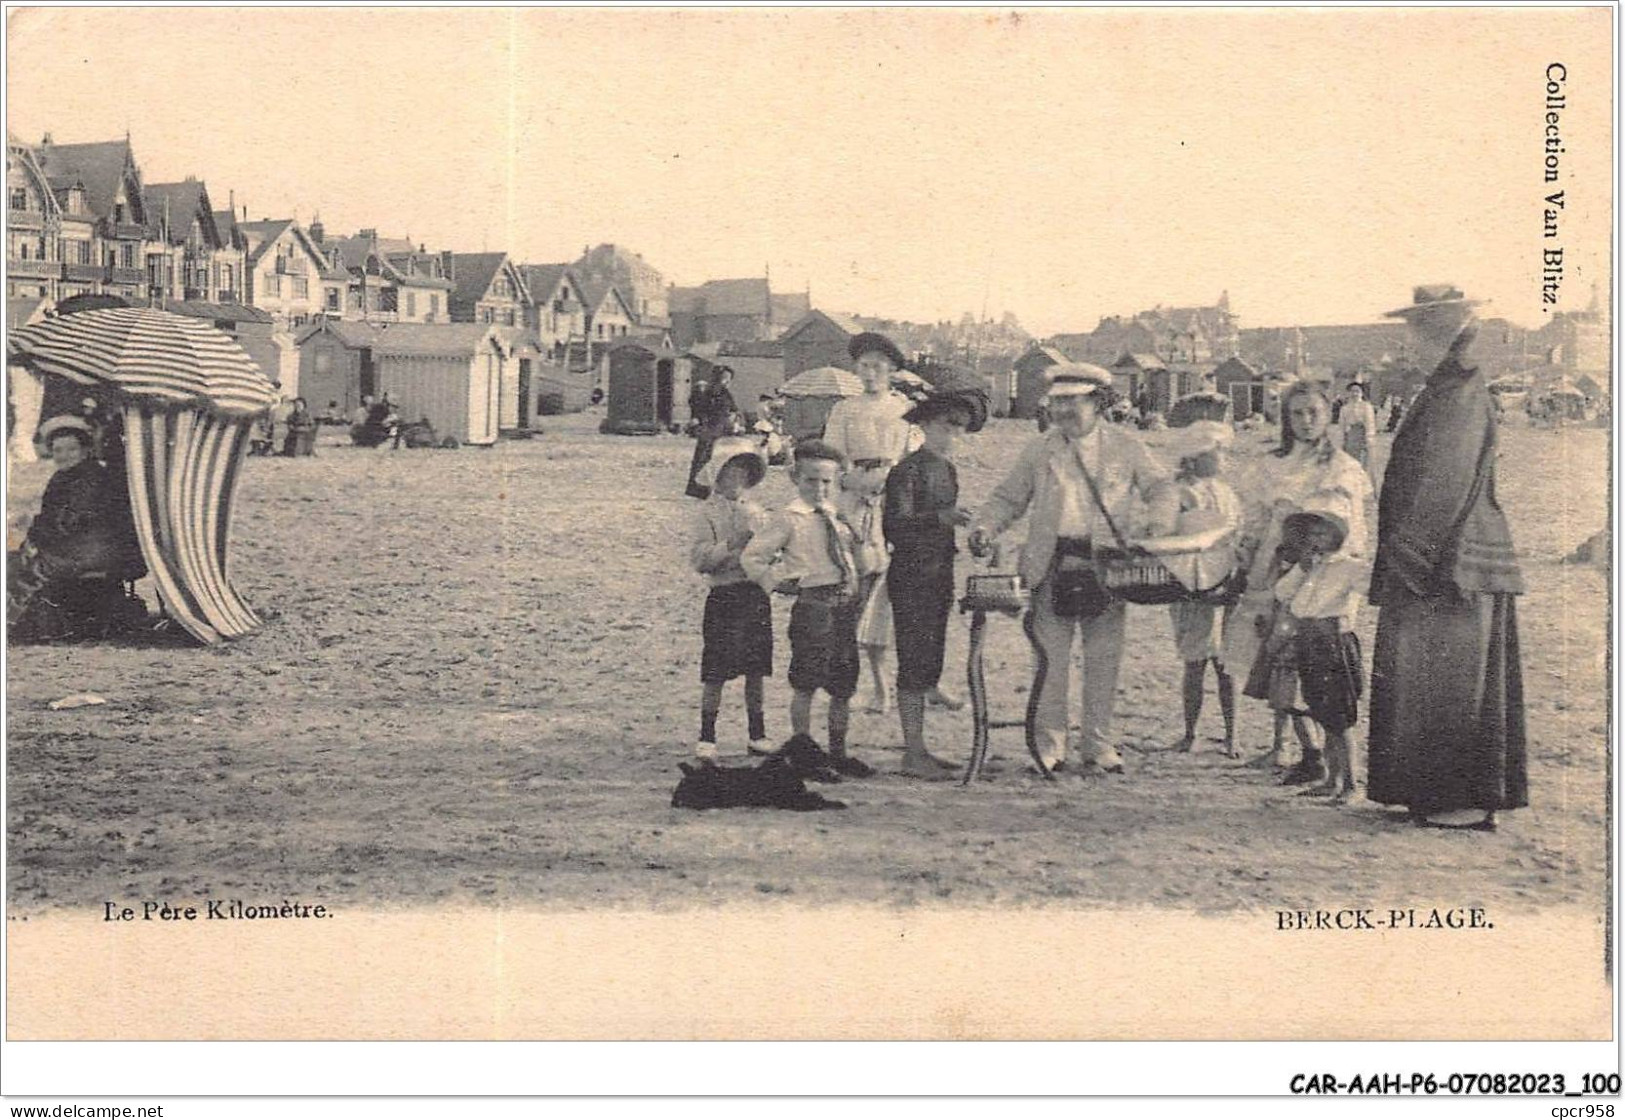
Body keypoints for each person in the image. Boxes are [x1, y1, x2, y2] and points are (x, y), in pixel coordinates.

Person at [1367, 285, 1526, 832]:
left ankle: (1459, 799)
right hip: (1445, 558)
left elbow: (1444, 483)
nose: (1406, 347)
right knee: (1434, 676)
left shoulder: (1457, 393)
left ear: (1436, 336)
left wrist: (1408, 558)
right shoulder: (1446, 388)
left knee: (1451, 678)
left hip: (1450, 563)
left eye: (1412, 336)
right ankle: (1434, 795)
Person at [968, 363, 1172, 774]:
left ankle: (1098, 745)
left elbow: (1160, 487)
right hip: (1050, 564)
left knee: (1103, 659)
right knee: (1050, 660)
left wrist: (1156, 527)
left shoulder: (1127, 446)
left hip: (1108, 566)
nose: (1062, 411)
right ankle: (1050, 746)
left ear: (1097, 402)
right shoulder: (1039, 449)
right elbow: (1009, 497)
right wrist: (986, 526)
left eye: (1072, 401)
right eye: (1056, 402)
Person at [1225, 379, 1371, 782]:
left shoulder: (1342, 467)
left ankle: (1333, 762)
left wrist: (1320, 557)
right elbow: (1254, 520)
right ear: (1285, 418)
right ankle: (1308, 753)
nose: (1306, 421)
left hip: (1321, 578)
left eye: (1314, 413)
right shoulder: (1270, 464)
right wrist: (1251, 552)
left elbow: (1352, 530)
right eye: (1297, 414)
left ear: (1328, 416)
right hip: (1274, 571)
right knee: (1277, 665)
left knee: (1320, 669)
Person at [742, 439, 873, 778]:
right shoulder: (789, 518)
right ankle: (804, 752)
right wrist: (776, 582)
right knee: (807, 682)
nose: (819, 488)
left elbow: (857, 561)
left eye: (827, 481)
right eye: (811, 480)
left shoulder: (837, 516)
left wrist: (858, 540)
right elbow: (753, 557)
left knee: (843, 683)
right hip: (813, 606)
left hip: (845, 605)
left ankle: (838, 752)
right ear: (795, 479)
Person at [822, 332, 932, 712]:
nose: (870, 374)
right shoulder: (844, 410)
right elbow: (832, 460)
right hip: (854, 503)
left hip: (893, 504)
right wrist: (848, 481)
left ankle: (900, 688)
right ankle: (858, 686)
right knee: (855, 597)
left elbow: (914, 462)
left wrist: (891, 483)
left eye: (878, 367)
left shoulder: (904, 411)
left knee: (892, 602)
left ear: (891, 370)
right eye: (864, 366)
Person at [885, 384, 986, 778]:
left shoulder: (947, 470)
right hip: (910, 575)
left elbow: (943, 525)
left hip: (939, 573)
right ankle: (913, 752)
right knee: (913, 661)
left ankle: (921, 748)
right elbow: (894, 527)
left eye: (961, 428)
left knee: (931, 660)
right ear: (925, 424)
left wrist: (971, 535)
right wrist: (939, 519)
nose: (954, 435)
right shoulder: (906, 470)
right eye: (948, 425)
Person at [8, 416, 147, 641]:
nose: (64, 455)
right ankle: (31, 622)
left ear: (85, 450)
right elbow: (49, 519)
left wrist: (37, 539)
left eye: (72, 449)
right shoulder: (62, 477)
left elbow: (70, 522)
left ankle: (24, 624)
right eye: (58, 450)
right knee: (17, 559)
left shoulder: (92, 478)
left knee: (21, 564)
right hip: (77, 546)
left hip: (92, 550)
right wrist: (35, 535)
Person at [1273, 493, 1367, 803]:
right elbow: (1284, 593)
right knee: (1323, 714)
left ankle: (1351, 784)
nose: (1318, 538)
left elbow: (1364, 592)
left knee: (1340, 718)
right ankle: (1330, 778)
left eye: (1324, 532)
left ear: (1338, 536)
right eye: (1313, 533)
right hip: (1309, 640)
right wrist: (1301, 569)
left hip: (1333, 642)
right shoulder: (1310, 567)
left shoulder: (1350, 567)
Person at [688, 436, 774, 761]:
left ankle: (757, 733)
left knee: (757, 667)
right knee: (716, 668)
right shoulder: (706, 514)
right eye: (731, 470)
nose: (738, 478)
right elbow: (699, 560)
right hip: (723, 595)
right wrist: (730, 545)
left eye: (744, 472)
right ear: (717, 475)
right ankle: (707, 735)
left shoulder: (758, 512)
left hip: (754, 595)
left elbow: (769, 554)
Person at [1162, 421, 1243, 757]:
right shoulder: (1178, 493)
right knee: (1195, 662)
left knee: (1228, 665)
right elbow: (1165, 537)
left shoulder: (1225, 493)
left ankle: (1231, 736)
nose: (1223, 459)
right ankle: (1191, 732)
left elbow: (1238, 532)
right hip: (1190, 584)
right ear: (1196, 457)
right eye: (1216, 452)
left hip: (1226, 583)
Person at [685, 367, 739, 499]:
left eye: (728, 378)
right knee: (702, 458)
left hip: (719, 428)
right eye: (724, 377)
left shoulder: (724, 392)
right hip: (709, 427)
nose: (726, 381)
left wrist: (733, 420)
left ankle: (704, 487)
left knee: (710, 458)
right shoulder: (709, 391)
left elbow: (733, 408)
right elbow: (698, 406)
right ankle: (697, 487)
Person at [1338, 380, 1377, 471]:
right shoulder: (1345, 408)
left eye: (1357, 391)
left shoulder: (1366, 407)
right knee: (1348, 461)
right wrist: (1342, 440)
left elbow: (1370, 424)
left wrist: (1369, 440)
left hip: (1362, 436)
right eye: (1352, 391)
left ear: (1362, 393)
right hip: (1350, 437)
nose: (1354, 394)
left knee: (1361, 462)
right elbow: (1341, 425)